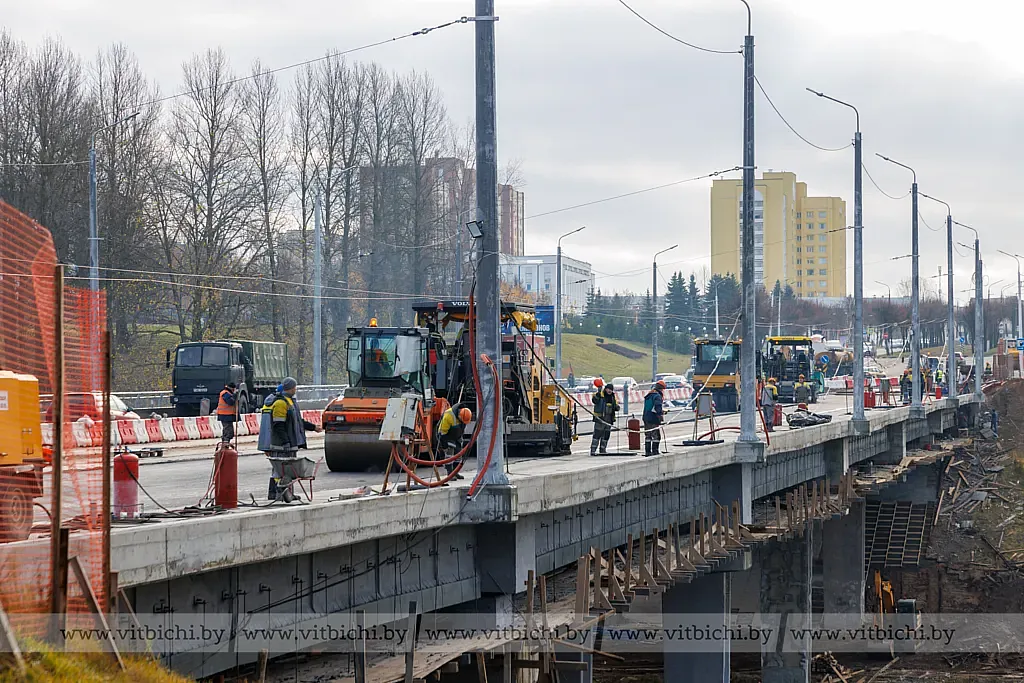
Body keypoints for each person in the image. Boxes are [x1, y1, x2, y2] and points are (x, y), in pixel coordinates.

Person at [259, 377, 322, 501]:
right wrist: (285, 442)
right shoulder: (281, 403)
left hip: (290, 443)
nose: (295, 389)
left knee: (287, 470)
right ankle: (276, 494)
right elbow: (278, 425)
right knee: (279, 470)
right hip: (281, 445)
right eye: (294, 387)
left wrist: (313, 427)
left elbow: (298, 422)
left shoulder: (290, 402)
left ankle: (287, 494)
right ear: (290, 388)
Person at [437, 403, 471, 480]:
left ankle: (455, 472)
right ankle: (450, 473)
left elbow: (461, 429)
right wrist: (444, 445)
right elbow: (442, 432)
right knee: (450, 453)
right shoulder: (448, 416)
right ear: (459, 416)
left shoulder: (464, 416)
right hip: (446, 435)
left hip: (456, 435)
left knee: (458, 454)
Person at [590, 378, 619, 455]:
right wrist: (598, 395)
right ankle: (593, 450)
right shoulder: (599, 395)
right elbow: (594, 401)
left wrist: (616, 407)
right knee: (597, 435)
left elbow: (615, 406)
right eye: (608, 389)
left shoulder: (613, 397)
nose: (609, 391)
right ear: (605, 389)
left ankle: (603, 450)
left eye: (611, 390)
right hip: (600, 419)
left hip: (609, 419)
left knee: (606, 435)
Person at [642, 380, 666, 456]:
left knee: (648, 435)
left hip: (646, 417)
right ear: (661, 389)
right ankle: (655, 451)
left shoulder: (649, 395)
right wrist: (660, 415)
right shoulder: (657, 396)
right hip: (653, 418)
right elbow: (657, 407)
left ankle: (648, 451)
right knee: (656, 436)